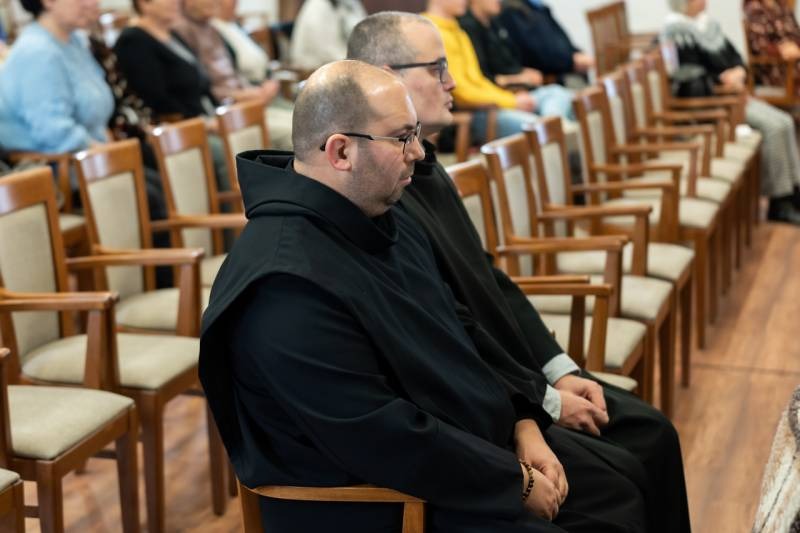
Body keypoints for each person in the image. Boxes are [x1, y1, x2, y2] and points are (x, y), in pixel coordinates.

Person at [200, 59, 648, 532]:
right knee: (607, 514)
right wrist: (511, 482)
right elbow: (376, 432)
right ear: (341, 151)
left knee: (621, 486)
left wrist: (523, 419)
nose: (417, 152)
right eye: (402, 137)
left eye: (415, 133)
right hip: (378, 503)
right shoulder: (282, 284)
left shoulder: (379, 216)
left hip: (460, 453)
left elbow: (459, 327)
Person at [347, 11, 691, 533]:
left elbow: (490, 282)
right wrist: (536, 405)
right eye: (437, 68)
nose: (452, 81)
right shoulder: (383, 197)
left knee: (655, 434)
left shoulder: (426, 169)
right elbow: (449, 333)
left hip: (519, 380)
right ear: (385, 76)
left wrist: (560, 369)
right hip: (491, 402)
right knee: (623, 485)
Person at [662, 0, 800, 224]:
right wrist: (721, 81)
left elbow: (736, 57)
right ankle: (779, 202)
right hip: (717, 104)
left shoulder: (708, 25)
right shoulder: (678, 33)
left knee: (785, 121)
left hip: (737, 95)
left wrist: (739, 71)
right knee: (774, 129)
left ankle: (794, 191)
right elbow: (690, 80)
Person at [174, 0, 294, 151]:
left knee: (301, 124)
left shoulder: (213, 28)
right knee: (293, 134)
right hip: (226, 108)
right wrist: (243, 95)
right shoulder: (182, 31)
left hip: (248, 99)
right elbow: (205, 86)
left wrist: (255, 91)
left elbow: (234, 71)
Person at [422, 0, 545, 143]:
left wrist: (510, 99)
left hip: (484, 109)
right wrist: (511, 101)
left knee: (549, 114)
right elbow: (460, 92)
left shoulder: (459, 31)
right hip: (462, 118)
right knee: (542, 129)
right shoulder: (426, 32)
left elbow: (478, 80)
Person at [0, 0, 113, 155]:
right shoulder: (38, 52)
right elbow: (53, 130)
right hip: (59, 163)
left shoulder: (74, 41)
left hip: (93, 155)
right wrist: (108, 153)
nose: (93, 2)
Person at [458, 0, 575, 120]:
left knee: (566, 97)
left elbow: (511, 62)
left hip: (515, 94)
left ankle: (554, 126)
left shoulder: (495, 23)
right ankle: (552, 127)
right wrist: (514, 92)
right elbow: (482, 81)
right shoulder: (466, 28)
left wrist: (523, 73)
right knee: (555, 99)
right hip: (495, 104)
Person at [498, 0, 594, 86]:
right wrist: (570, 61)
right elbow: (536, 53)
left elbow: (563, 40)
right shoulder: (512, 11)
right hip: (554, 79)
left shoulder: (540, 8)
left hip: (568, 70)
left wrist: (577, 53)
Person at [743, 0, 800, 95]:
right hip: (774, 68)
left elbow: (797, 34)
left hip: (794, 60)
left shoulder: (782, 5)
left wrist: (795, 47)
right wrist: (781, 50)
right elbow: (760, 46)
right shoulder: (754, 8)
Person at [289, 0, 366, 70]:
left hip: (344, 63)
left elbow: (365, 33)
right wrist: (355, 63)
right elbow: (325, 50)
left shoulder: (351, 4)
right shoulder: (318, 5)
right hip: (314, 68)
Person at [211, 0, 270, 84]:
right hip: (244, 84)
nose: (235, 3)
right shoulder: (213, 28)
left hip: (262, 80)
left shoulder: (235, 25)